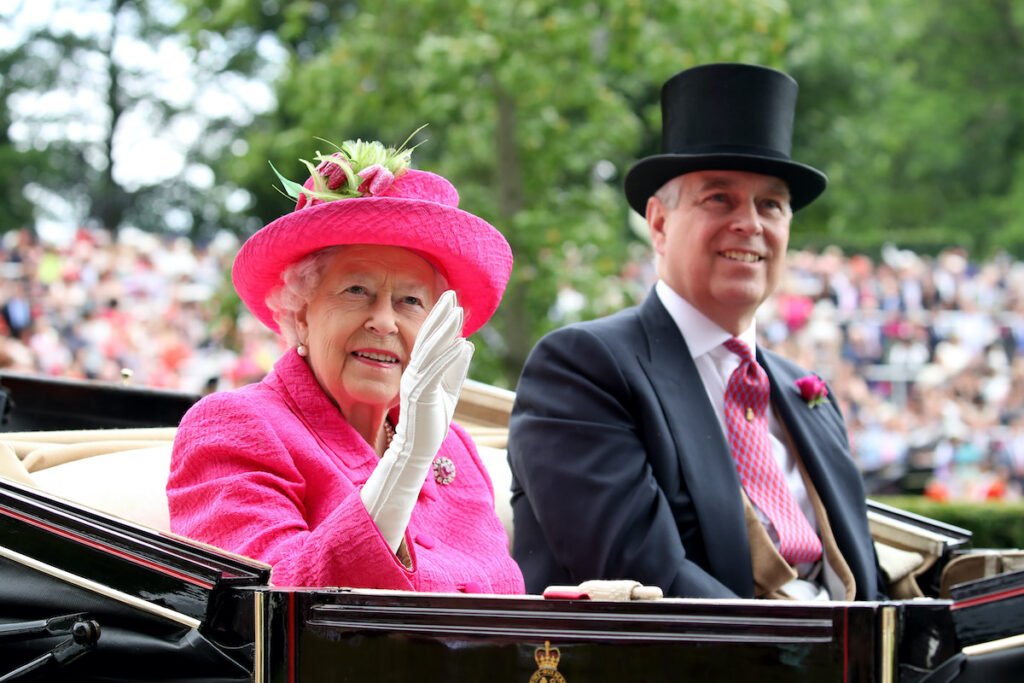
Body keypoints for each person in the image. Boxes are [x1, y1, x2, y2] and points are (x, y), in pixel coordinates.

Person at [508, 63, 885, 600]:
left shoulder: (807, 395)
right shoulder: (584, 369)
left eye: (771, 205)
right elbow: (645, 578)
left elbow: (864, 581)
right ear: (659, 224)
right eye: (720, 199)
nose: (750, 224)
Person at [168, 133, 524, 593]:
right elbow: (272, 609)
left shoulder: (452, 447)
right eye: (356, 290)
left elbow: (502, 605)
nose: (384, 321)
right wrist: (405, 461)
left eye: (410, 301)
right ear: (300, 312)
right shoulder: (232, 427)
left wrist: (579, 608)